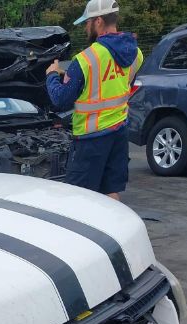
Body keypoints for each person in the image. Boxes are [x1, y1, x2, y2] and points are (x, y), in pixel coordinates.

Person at [46, 0, 143, 200]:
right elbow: (118, 85)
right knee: (110, 192)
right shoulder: (136, 53)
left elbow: (60, 100)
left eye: (87, 22)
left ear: (98, 21)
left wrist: (52, 75)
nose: (85, 27)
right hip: (118, 133)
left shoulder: (86, 59)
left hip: (91, 140)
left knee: (80, 198)